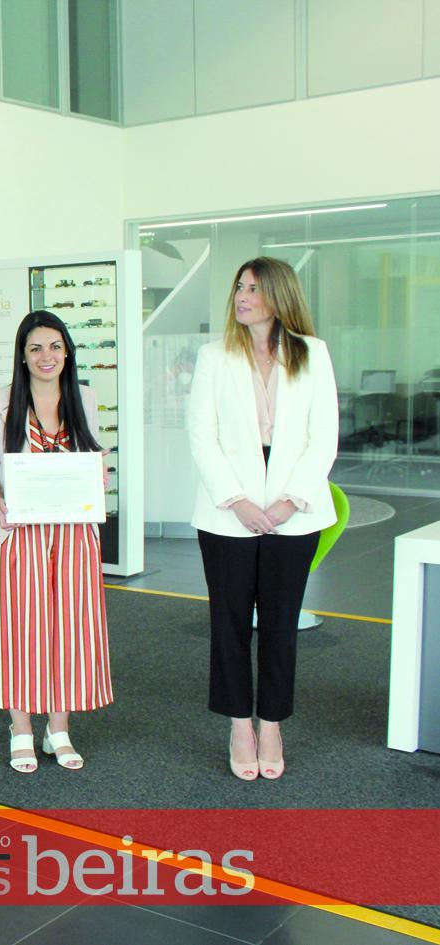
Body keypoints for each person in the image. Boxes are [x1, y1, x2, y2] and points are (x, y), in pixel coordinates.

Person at [187, 257, 338, 781]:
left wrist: (290, 501)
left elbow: (324, 437)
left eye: (253, 288)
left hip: (294, 513)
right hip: (227, 514)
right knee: (228, 623)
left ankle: (271, 724)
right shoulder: (214, 356)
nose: (242, 296)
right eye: (239, 287)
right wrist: (238, 501)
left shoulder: (313, 353)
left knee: (280, 625)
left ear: (278, 295)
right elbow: (201, 435)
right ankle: (239, 726)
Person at [0, 310, 112, 774]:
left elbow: (94, 459)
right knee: (19, 632)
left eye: (54, 346)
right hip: (19, 535)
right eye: (35, 348)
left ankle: (59, 728)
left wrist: (98, 474)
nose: (46, 356)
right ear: (23, 356)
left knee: (69, 630)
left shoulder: (84, 398)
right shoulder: (2, 402)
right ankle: (21, 728)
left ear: (67, 352)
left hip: (74, 535)